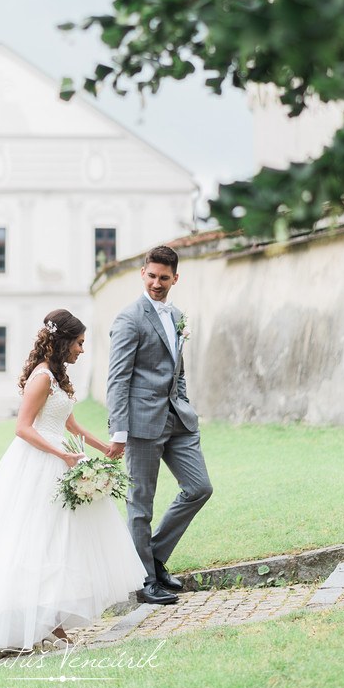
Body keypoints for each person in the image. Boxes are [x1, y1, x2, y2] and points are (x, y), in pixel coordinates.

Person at [0, 309, 146, 655]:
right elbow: (23, 428)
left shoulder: (58, 376)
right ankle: (34, 622)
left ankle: (50, 621)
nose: (82, 350)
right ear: (64, 340)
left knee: (60, 541)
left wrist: (104, 447)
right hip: (39, 464)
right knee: (33, 540)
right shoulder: (42, 377)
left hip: (60, 458)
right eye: (80, 343)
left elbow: (70, 424)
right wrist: (63, 456)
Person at [105, 245, 213, 605]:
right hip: (140, 424)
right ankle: (145, 580)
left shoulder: (177, 315)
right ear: (143, 275)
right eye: (151, 276)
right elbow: (117, 379)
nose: (156, 283)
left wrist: (183, 400)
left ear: (175, 279)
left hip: (178, 419)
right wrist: (119, 430)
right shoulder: (128, 319)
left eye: (163, 278)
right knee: (141, 504)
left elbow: (177, 369)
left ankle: (154, 556)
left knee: (199, 488)